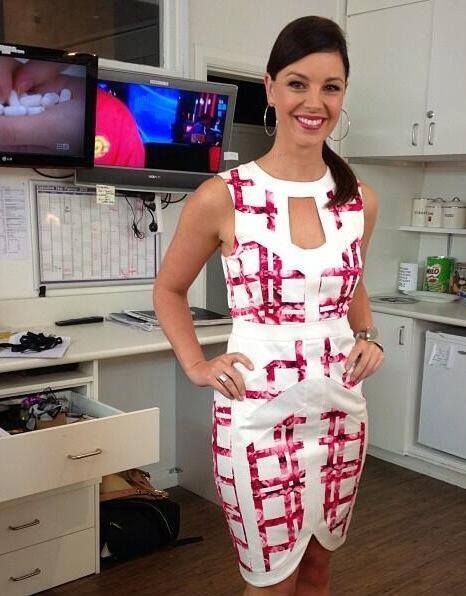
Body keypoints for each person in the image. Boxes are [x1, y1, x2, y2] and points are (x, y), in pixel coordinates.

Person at [154, 15, 383, 596]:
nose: (315, 102)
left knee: (320, 565)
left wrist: (367, 335)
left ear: (344, 95)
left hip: (339, 415)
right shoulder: (223, 197)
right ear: (271, 88)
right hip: (257, 417)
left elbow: (351, 282)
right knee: (271, 581)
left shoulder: (359, 201)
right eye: (298, 83)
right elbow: (169, 290)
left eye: (331, 87)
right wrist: (196, 365)